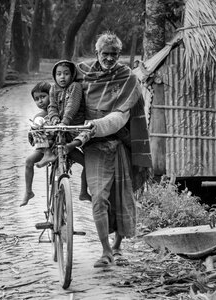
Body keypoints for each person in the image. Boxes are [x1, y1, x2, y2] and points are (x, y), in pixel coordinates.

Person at [71, 31, 152, 268]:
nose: (109, 58)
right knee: (99, 199)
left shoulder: (127, 77)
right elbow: (65, 92)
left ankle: (117, 247)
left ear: (119, 55)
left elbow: (118, 117)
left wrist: (95, 126)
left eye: (114, 54)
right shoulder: (82, 74)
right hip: (94, 147)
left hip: (119, 145)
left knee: (122, 198)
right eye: (105, 53)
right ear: (97, 52)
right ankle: (105, 251)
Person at [37, 59, 92, 201]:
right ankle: (47, 153)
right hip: (59, 127)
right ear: (54, 76)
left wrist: (64, 121)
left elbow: (72, 106)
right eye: (59, 74)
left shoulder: (75, 87)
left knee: (88, 160)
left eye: (66, 74)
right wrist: (55, 119)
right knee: (40, 126)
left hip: (73, 128)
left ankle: (83, 191)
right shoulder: (53, 89)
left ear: (72, 75)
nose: (62, 77)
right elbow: (52, 106)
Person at [20, 81, 52, 207]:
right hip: (44, 149)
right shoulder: (39, 115)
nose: (40, 101)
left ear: (52, 95)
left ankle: (83, 190)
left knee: (85, 161)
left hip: (61, 145)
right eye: (36, 99)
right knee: (29, 161)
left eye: (43, 97)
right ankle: (28, 191)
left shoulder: (58, 110)